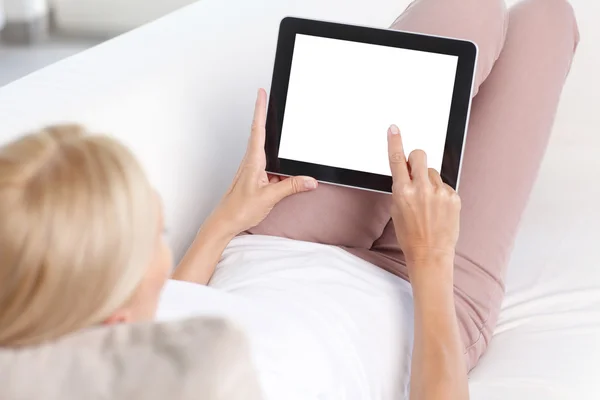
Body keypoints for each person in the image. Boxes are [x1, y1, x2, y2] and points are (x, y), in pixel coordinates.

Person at [0, 0, 578, 398]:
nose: (166, 235)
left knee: (468, 8)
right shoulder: (221, 378)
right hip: (422, 296)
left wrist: (230, 218)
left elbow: (173, 300)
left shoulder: (81, 331)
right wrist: (428, 257)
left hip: (279, 244)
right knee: (548, 19)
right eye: (157, 233)